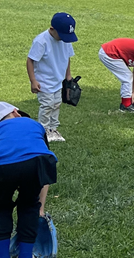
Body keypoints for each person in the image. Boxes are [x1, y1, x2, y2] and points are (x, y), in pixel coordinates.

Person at [0, 102, 58, 258]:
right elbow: (43, 170)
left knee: (1, 208)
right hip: (37, 162)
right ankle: (26, 254)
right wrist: (40, 208)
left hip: (3, 165)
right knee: (29, 205)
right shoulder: (33, 124)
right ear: (16, 113)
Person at [26, 13, 77, 143]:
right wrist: (33, 80)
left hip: (57, 80)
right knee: (47, 105)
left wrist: (68, 75)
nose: (64, 38)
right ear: (52, 29)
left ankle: (53, 129)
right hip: (44, 81)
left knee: (56, 104)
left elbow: (67, 57)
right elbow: (30, 60)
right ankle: (43, 130)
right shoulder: (41, 41)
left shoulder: (65, 40)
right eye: (62, 35)